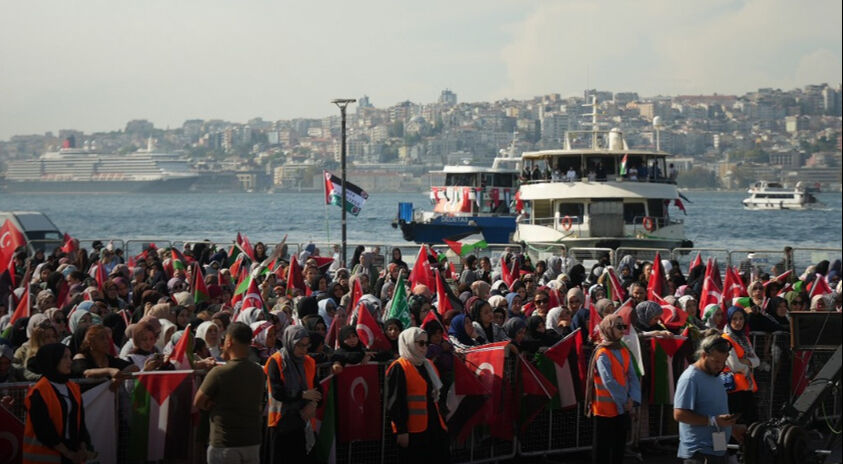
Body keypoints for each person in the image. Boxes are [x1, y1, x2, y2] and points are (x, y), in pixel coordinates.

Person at [194, 322, 266, 464]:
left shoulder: (219, 373)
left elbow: (198, 401)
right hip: (252, 441)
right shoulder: (258, 371)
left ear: (229, 341)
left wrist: (212, 403)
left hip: (225, 444)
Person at [674, 333, 745, 463]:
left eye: (723, 361)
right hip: (699, 454)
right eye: (716, 361)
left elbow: (716, 411)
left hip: (718, 450)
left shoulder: (715, 375)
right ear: (704, 355)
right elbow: (679, 414)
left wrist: (732, 428)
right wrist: (713, 421)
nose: (720, 366)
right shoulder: (690, 378)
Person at [23, 343, 96, 464]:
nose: (70, 361)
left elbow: (80, 422)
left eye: (70, 357)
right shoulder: (38, 392)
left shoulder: (73, 388)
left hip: (71, 453)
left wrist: (82, 448)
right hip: (45, 456)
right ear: (52, 360)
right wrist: (69, 454)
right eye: (64, 357)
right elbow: (44, 431)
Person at [385, 327, 449, 463]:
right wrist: (401, 431)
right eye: (420, 343)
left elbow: (437, 395)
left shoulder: (427, 364)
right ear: (408, 343)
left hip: (433, 425)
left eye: (426, 343)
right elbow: (395, 402)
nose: (424, 347)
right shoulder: (399, 367)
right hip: (414, 430)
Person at [585, 315, 641, 464]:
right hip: (605, 410)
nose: (623, 330)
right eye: (619, 326)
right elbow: (608, 381)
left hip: (622, 408)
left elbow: (633, 377)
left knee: (618, 449)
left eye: (623, 326)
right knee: (602, 451)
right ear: (608, 329)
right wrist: (626, 401)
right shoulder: (602, 353)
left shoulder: (623, 350)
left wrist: (633, 400)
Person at [262, 325, 320, 463]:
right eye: (300, 345)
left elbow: (318, 390)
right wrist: (302, 395)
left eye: (307, 345)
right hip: (281, 424)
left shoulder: (309, 361)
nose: (304, 349)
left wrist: (313, 404)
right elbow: (277, 392)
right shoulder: (276, 361)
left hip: (303, 422)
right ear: (289, 342)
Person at [721, 306, 759, 426]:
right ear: (729, 320)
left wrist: (745, 361)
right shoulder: (726, 338)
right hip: (733, 388)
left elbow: (757, 361)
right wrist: (749, 363)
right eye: (734, 319)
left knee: (750, 421)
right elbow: (734, 365)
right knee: (735, 421)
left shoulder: (744, 338)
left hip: (746, 386)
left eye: (741, 318)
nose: (738, 322)